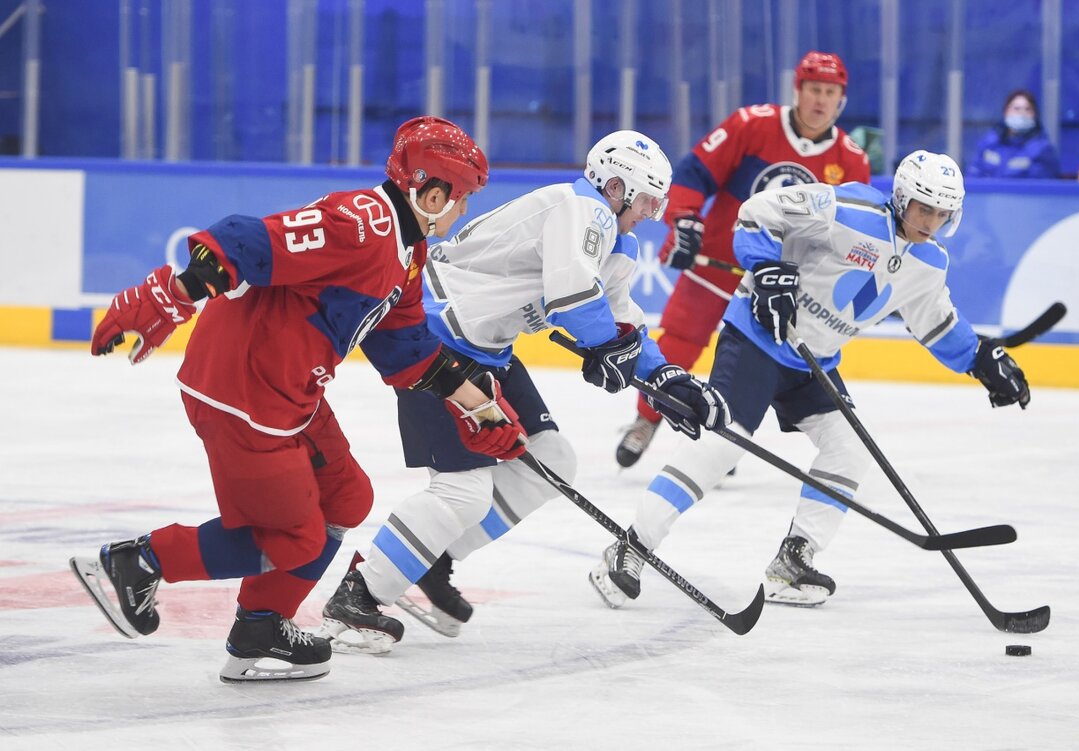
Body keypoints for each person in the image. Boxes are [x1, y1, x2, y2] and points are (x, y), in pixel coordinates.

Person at [69, 116, 526, 683]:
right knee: (294, 539)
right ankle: (139, 562)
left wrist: (475, 404)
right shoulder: (362, 224)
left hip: (290, 394)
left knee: (347, 498)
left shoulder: (406, 257)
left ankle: (260, 626)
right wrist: (175, 292)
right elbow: (248, 241)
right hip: (240, 391)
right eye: (459, 201)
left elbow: (407, 350)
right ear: (431, 194)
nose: (461, 213)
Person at [317, 130, 730, 652]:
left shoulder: (613, 239)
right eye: (647, 200)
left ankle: (430, 558)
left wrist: (668, 380)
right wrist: (610, 346)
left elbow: (621, 323)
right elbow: (574, 298)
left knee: (552, 458)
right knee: (462, 491)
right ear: (618, 187)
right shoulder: (582, 208)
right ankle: (358, 594)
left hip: (485, 347)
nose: (652, 213)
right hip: (436, 341)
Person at [590, 150, 1031, 611]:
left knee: (850, 450)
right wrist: (765, 270)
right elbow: (757, 213)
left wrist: (981, 361)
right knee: (721, 444)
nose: (931, 222)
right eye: (925, 208)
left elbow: (937, 323)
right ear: (901, 198)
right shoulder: (848, 209)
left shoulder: (930, 263)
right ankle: (631, 546)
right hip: (757, 340)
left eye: (943, 214)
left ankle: (793, 561)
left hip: (812, 360)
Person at [615, 50, 871, 469]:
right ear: (797, 91)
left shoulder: (851, 160)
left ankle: (722, 436)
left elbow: (848, 232)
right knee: (679, 340)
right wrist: (684, 221)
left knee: (747, 362)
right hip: (717, 259)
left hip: (777, 283)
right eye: (813, 90)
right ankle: (647, 419)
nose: (820, 101)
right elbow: (694, 172)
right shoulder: (752, 125)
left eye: (830, 92)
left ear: (841, 101)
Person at [966, 89, 1060, 179]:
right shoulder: (989, 143)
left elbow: (1042, 186)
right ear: (1005, 112)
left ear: (1035, 115)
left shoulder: (1042, 149)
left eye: (1028, 109)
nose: (1022, 114)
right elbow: (973, 173)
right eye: (1016, 109)